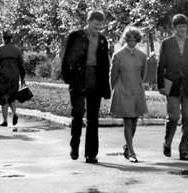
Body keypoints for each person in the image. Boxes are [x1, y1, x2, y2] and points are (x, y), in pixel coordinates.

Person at [61, 9, 111, 163]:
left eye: (100, 25)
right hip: (78, 79)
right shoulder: (75, 36)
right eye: (95, 24)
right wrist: (68, 78)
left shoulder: (102, 39)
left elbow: (105, 64)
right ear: (88, 21)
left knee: (93, 119)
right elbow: (65, 57)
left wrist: (106, 87)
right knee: (77, 114)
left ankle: (91, 153)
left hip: (95, 79)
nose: (97, 28)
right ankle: (74, 146)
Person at [156, 14, 188, 161]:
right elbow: (160, 66)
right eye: (179, 27)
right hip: (172, 86)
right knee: (173, 117)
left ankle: (184, 151)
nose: (182, 29)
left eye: (184, 26)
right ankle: (167, 143)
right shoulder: (167, 43)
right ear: (174, 28)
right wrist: (161, 85)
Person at [109, 26, 148, 162]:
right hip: (123, 91)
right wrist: (114, 91)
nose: (132, 43)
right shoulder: (118, 55)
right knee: (128, 122)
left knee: (135, 121)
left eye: (135, 40)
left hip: (137, 91)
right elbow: (113, 76)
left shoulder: (142, 56)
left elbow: (143, 75)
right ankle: (132, 152)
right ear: (125, 40)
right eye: (129, 40)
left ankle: (127, 146)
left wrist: (138, 87)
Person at [0, 31, 27, 129]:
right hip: (14, 76)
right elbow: (21, 65)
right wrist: (22, 78)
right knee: (12, 97)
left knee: (4, 98)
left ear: (3, 39)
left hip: (3, 76)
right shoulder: (17, 50)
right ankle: (15, 113)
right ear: (11, 39)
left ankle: (5, 121)